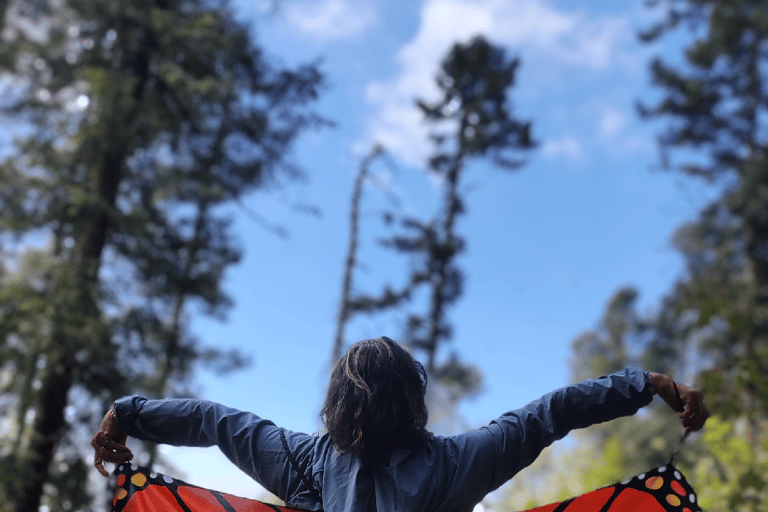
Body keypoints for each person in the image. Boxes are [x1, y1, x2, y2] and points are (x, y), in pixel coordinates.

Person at [92, 336, 709, 512]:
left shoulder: (306, 460)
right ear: (415, 404)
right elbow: (549, 414)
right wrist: (649, 384)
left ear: (336, 404)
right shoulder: (459, 463)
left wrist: (127, 413)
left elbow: (213, 421)